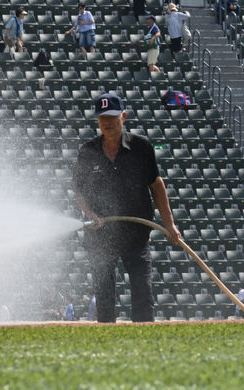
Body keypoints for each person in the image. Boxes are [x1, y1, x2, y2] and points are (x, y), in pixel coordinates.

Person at [72, 93, 181, 323]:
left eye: (112, 117)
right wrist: (90, 214)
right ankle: (107, 336)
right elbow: (79, 192)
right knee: (104, 291)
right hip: (100, 233)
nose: (107, 123)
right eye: (102, 118)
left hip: (135, 232)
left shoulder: (141, 147)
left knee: (142, 288)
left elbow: (156, 185)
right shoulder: (87, 151)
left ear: (123, 117)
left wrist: (169, 224)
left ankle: (143, 338)